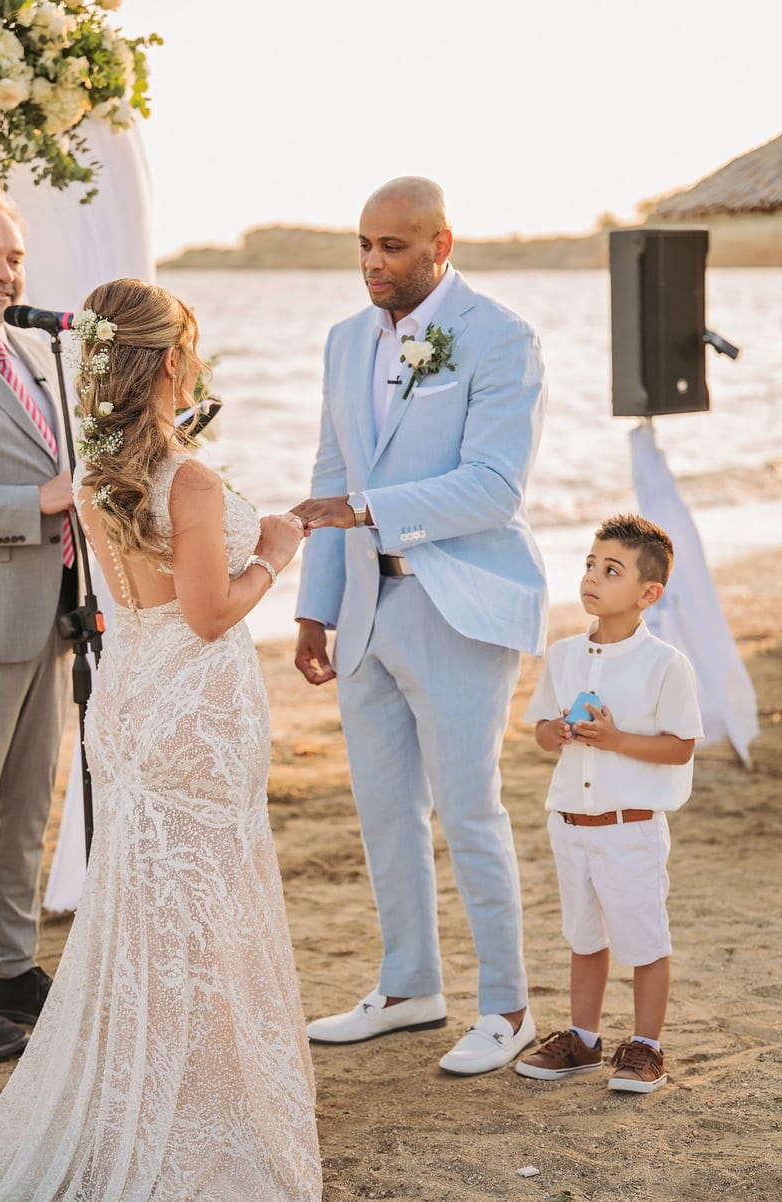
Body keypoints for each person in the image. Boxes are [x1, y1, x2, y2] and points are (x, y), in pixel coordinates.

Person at [0, 278, 322, 1201]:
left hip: (127, 701)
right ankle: (197, 1118)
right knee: (207, 914)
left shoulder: (96, 472)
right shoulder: (193, 481)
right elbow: (211, 613)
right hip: (195, 714)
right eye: (193, 348)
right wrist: (277, 550)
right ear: (172, 361)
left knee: (140, 913)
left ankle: (138, 1091)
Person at [292, 177, 548, 1076]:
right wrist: (314, 609)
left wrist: (362, 510)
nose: (373, 262)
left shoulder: (499, 336)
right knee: (382, 811)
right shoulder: (342, 342)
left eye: (393, 247)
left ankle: (507, 1007)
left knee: (472, 810)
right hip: (365, 605)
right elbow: (330, 466)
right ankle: (408, 988)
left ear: (443, 244)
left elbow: (494, 487)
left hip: (461, 606)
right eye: (363, 244)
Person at [516, 514, 703, 1093]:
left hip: (631, 828)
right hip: (571, 823)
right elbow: (542, 730)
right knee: (584, 937)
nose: (593, 577)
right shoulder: (565, 653)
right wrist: (560, 734)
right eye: (590, 565)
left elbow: (680, 747)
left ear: (649, 593)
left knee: (643, 939)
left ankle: (646, 1046)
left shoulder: (665, 664)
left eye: (611, 570)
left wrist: (617, 739)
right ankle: (584, 1039)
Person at [0, 186, 77, 1061]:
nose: (5, 273)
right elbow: (42, 489)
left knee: (21, 813)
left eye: (12, 256)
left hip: (45, 619)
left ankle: (6, 968)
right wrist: (37, 502)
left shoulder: (32, 351)